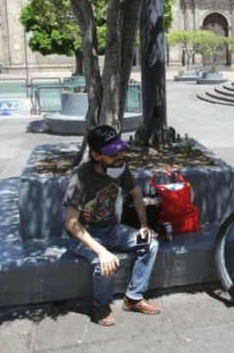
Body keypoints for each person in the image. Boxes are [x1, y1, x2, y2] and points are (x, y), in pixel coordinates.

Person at [63, 125, 161, 326]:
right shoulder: (81, 178)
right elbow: (71, 223)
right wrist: (101, 251)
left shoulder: (120, 168)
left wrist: (143, 225)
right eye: (112, 152)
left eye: (120, 149)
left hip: (112, 229)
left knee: (150, 243)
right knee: (105, 262)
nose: (119, 155)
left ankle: (133, 298)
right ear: (96, 155)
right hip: (85, 237)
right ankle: (101, 306)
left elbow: (136, 194)